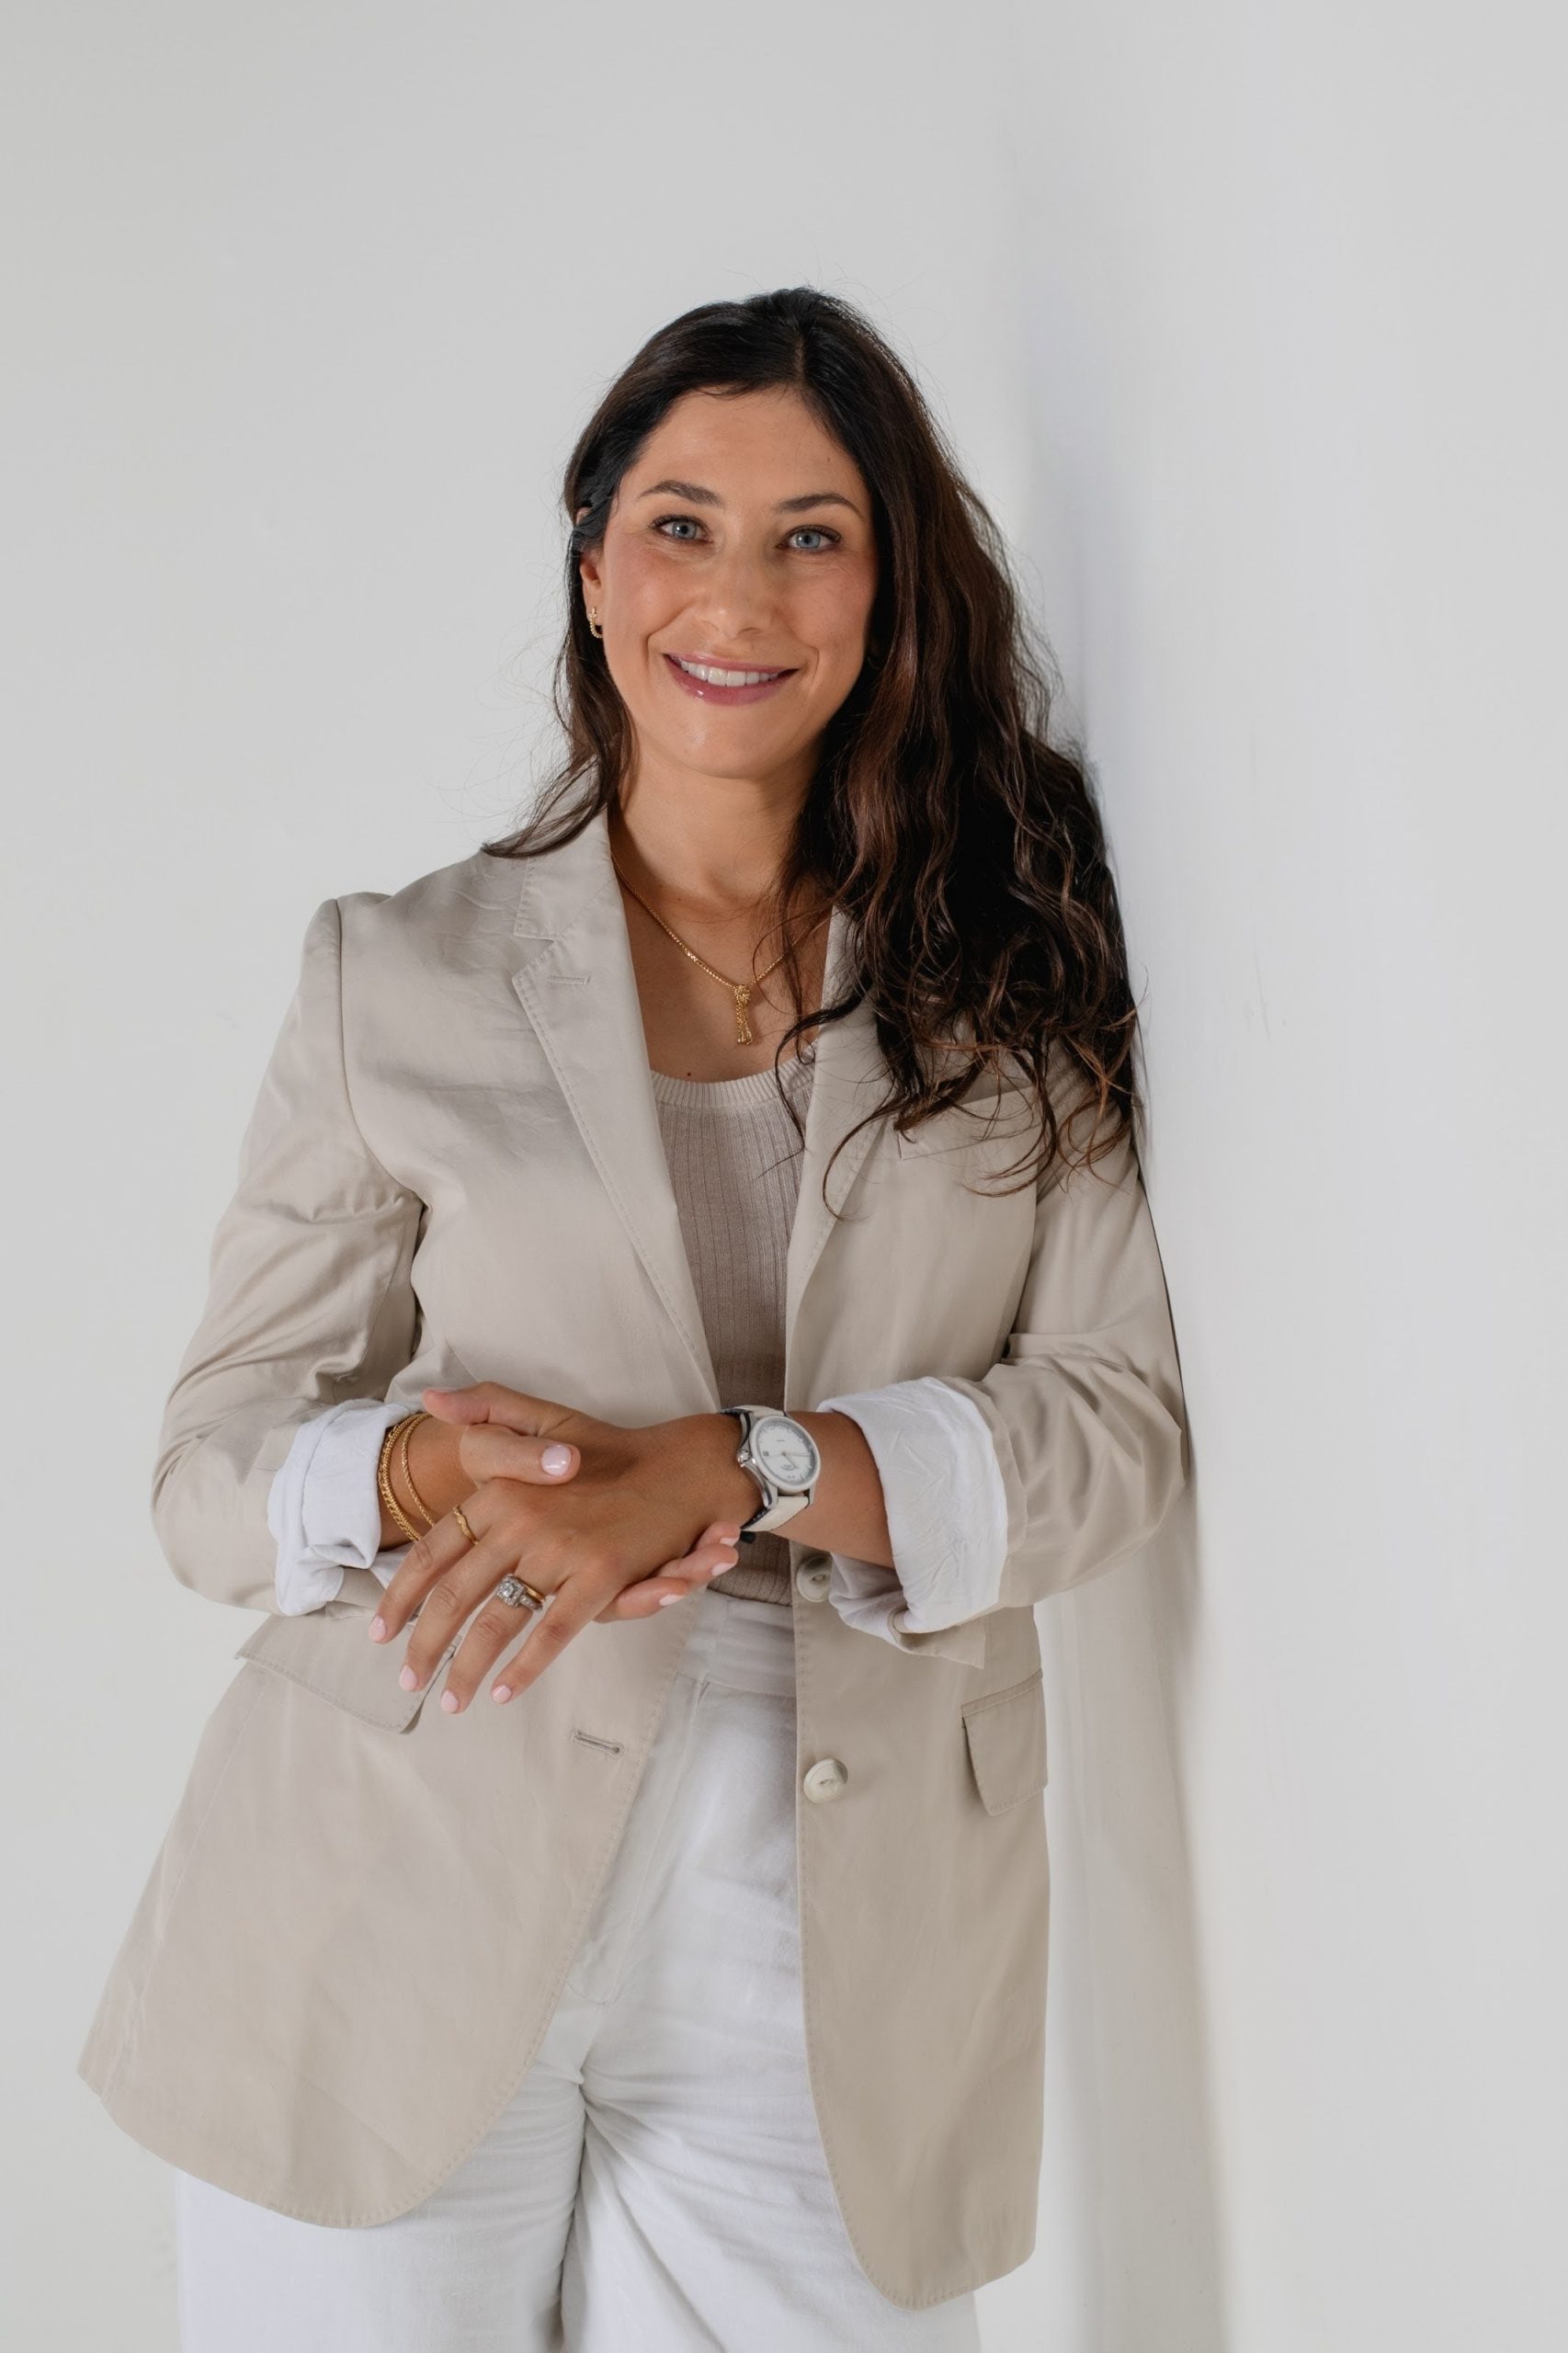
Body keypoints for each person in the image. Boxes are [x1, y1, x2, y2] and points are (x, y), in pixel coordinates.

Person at [76, 285, 1188, 2351]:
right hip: (401, 1848)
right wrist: (418, 1471)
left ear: (890, 592)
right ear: (593, 570)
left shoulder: (1015, 970)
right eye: (680, 524)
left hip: (843, 1910)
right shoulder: (392, 974)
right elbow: (207, 1472)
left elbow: (1114, 1423)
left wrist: (750, 1466)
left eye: (810, 535)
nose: (735, 595)